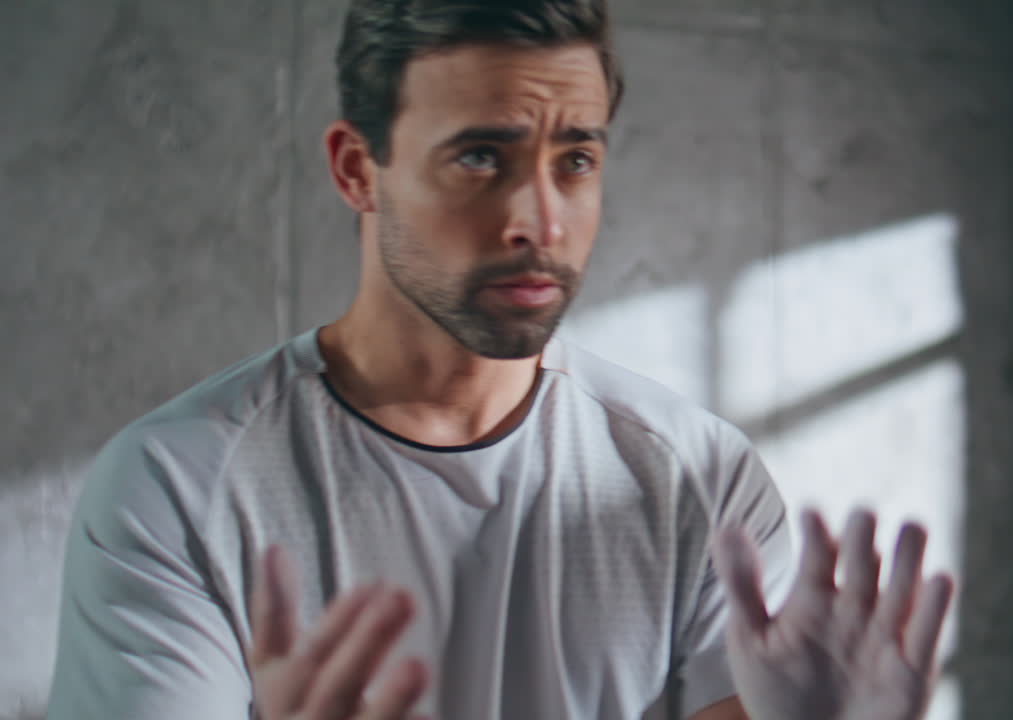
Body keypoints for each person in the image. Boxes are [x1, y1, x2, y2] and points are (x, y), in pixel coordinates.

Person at [46, 1, 954, 719]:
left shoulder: (698, 482)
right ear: (358, 168)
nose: (541, 221)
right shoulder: (177, 488)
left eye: (576, 158)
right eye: (482, 156)